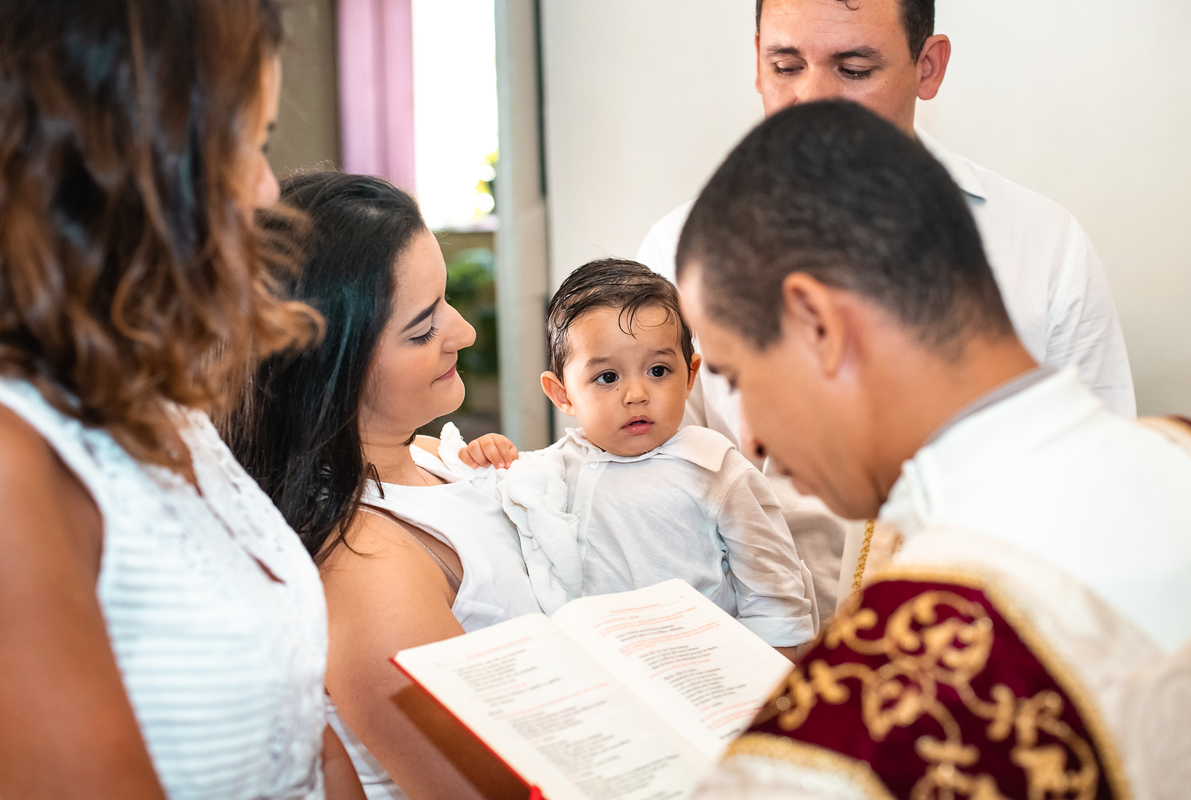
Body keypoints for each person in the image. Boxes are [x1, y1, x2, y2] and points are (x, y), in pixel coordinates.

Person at [675, 99, 1191, 798]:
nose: (752, 436)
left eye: (736, 376)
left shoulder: (877, 712)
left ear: (817, 324)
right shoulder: (1184, 453)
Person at [637, 0, 1136, 624]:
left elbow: (1102, 489)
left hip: (984, 634)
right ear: (757, 62)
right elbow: (656, 489)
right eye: (786, 64)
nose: (812, 100)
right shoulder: (681, 251)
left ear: (928, 66)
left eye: (854, 68)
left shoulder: (1040, 243)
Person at [0, 2, 366, 798]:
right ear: (125, 159)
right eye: (251, 144)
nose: (269, 191)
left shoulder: (169, 411)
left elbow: (307, 727)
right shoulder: (15, 458)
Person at [223, 171, 541, 800]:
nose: (465, 333)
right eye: (423, 330)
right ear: (327, 371)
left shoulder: (432, 456)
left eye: (445, 301)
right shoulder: (370, 567)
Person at [448, 259, 818, 656]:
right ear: (563, 395)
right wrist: (491, 457)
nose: (636, 394)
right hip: (603, 673)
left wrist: (770, 694)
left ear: (690, 375)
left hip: (708, 672)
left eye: (658, 370)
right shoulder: (553, 468)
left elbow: (775, 598)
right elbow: (510, 503)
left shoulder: (716, 468)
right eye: (607, 377)